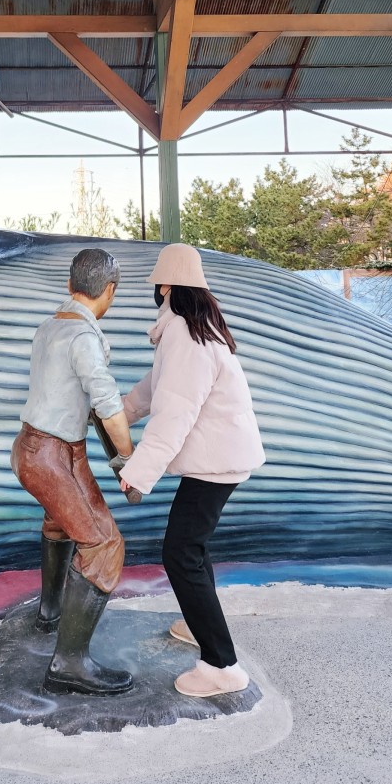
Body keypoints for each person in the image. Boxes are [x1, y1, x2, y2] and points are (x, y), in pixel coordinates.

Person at [119, 243, 265, 699]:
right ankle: (197, 623)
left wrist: (138, 472)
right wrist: (113, 413)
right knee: (192, 549)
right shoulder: (191, 328)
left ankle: (222, 665)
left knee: (180, 553)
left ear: (165, 286)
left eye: (155, 287)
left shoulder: (183, 333)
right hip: (221, 457)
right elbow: (153, 390)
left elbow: (174, 413)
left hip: (216, 461)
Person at [11, 248, 135, 696]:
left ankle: (50, 612)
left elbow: (77, 405)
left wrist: (107, 454)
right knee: (103, 546)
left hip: (34, 448)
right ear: (111, 292)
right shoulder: (84, 338)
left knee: (61, 522)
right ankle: (68, 664)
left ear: (70, 286)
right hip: (52, 456)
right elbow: (108, 408)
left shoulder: (50, 327)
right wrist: (128, 459)